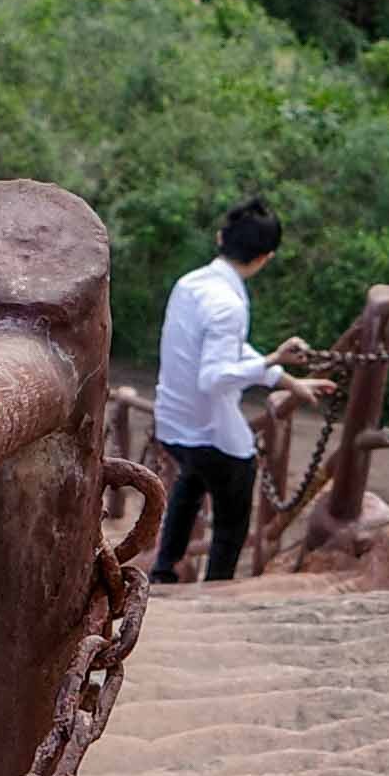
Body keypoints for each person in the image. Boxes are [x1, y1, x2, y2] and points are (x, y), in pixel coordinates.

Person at [150, 198, 299, 583]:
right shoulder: (229, 304)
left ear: (220, 238)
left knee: (193, 477)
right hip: (208, 431)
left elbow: (225, 350)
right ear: (266, 257)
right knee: (235, 488)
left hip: (173, 422)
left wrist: (284, 378)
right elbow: (214, 377)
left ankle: (164, 569)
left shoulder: (191, 284)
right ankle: (217, 584)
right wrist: (270, 362)